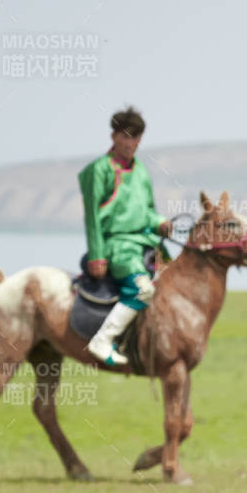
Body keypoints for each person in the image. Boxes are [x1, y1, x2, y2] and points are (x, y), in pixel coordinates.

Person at [78, 106, 172, 367]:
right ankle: (102, 340)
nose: (132, 143)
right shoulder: (98, 171)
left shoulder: (141, 171)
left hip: (147, 242)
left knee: (174, 284)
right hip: (116, 245)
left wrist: (161, 223)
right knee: (142, 291)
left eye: (137, 137)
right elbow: (92, 218)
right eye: (127, 136)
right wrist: (97, 255)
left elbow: (148, 213)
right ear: (114, 136)